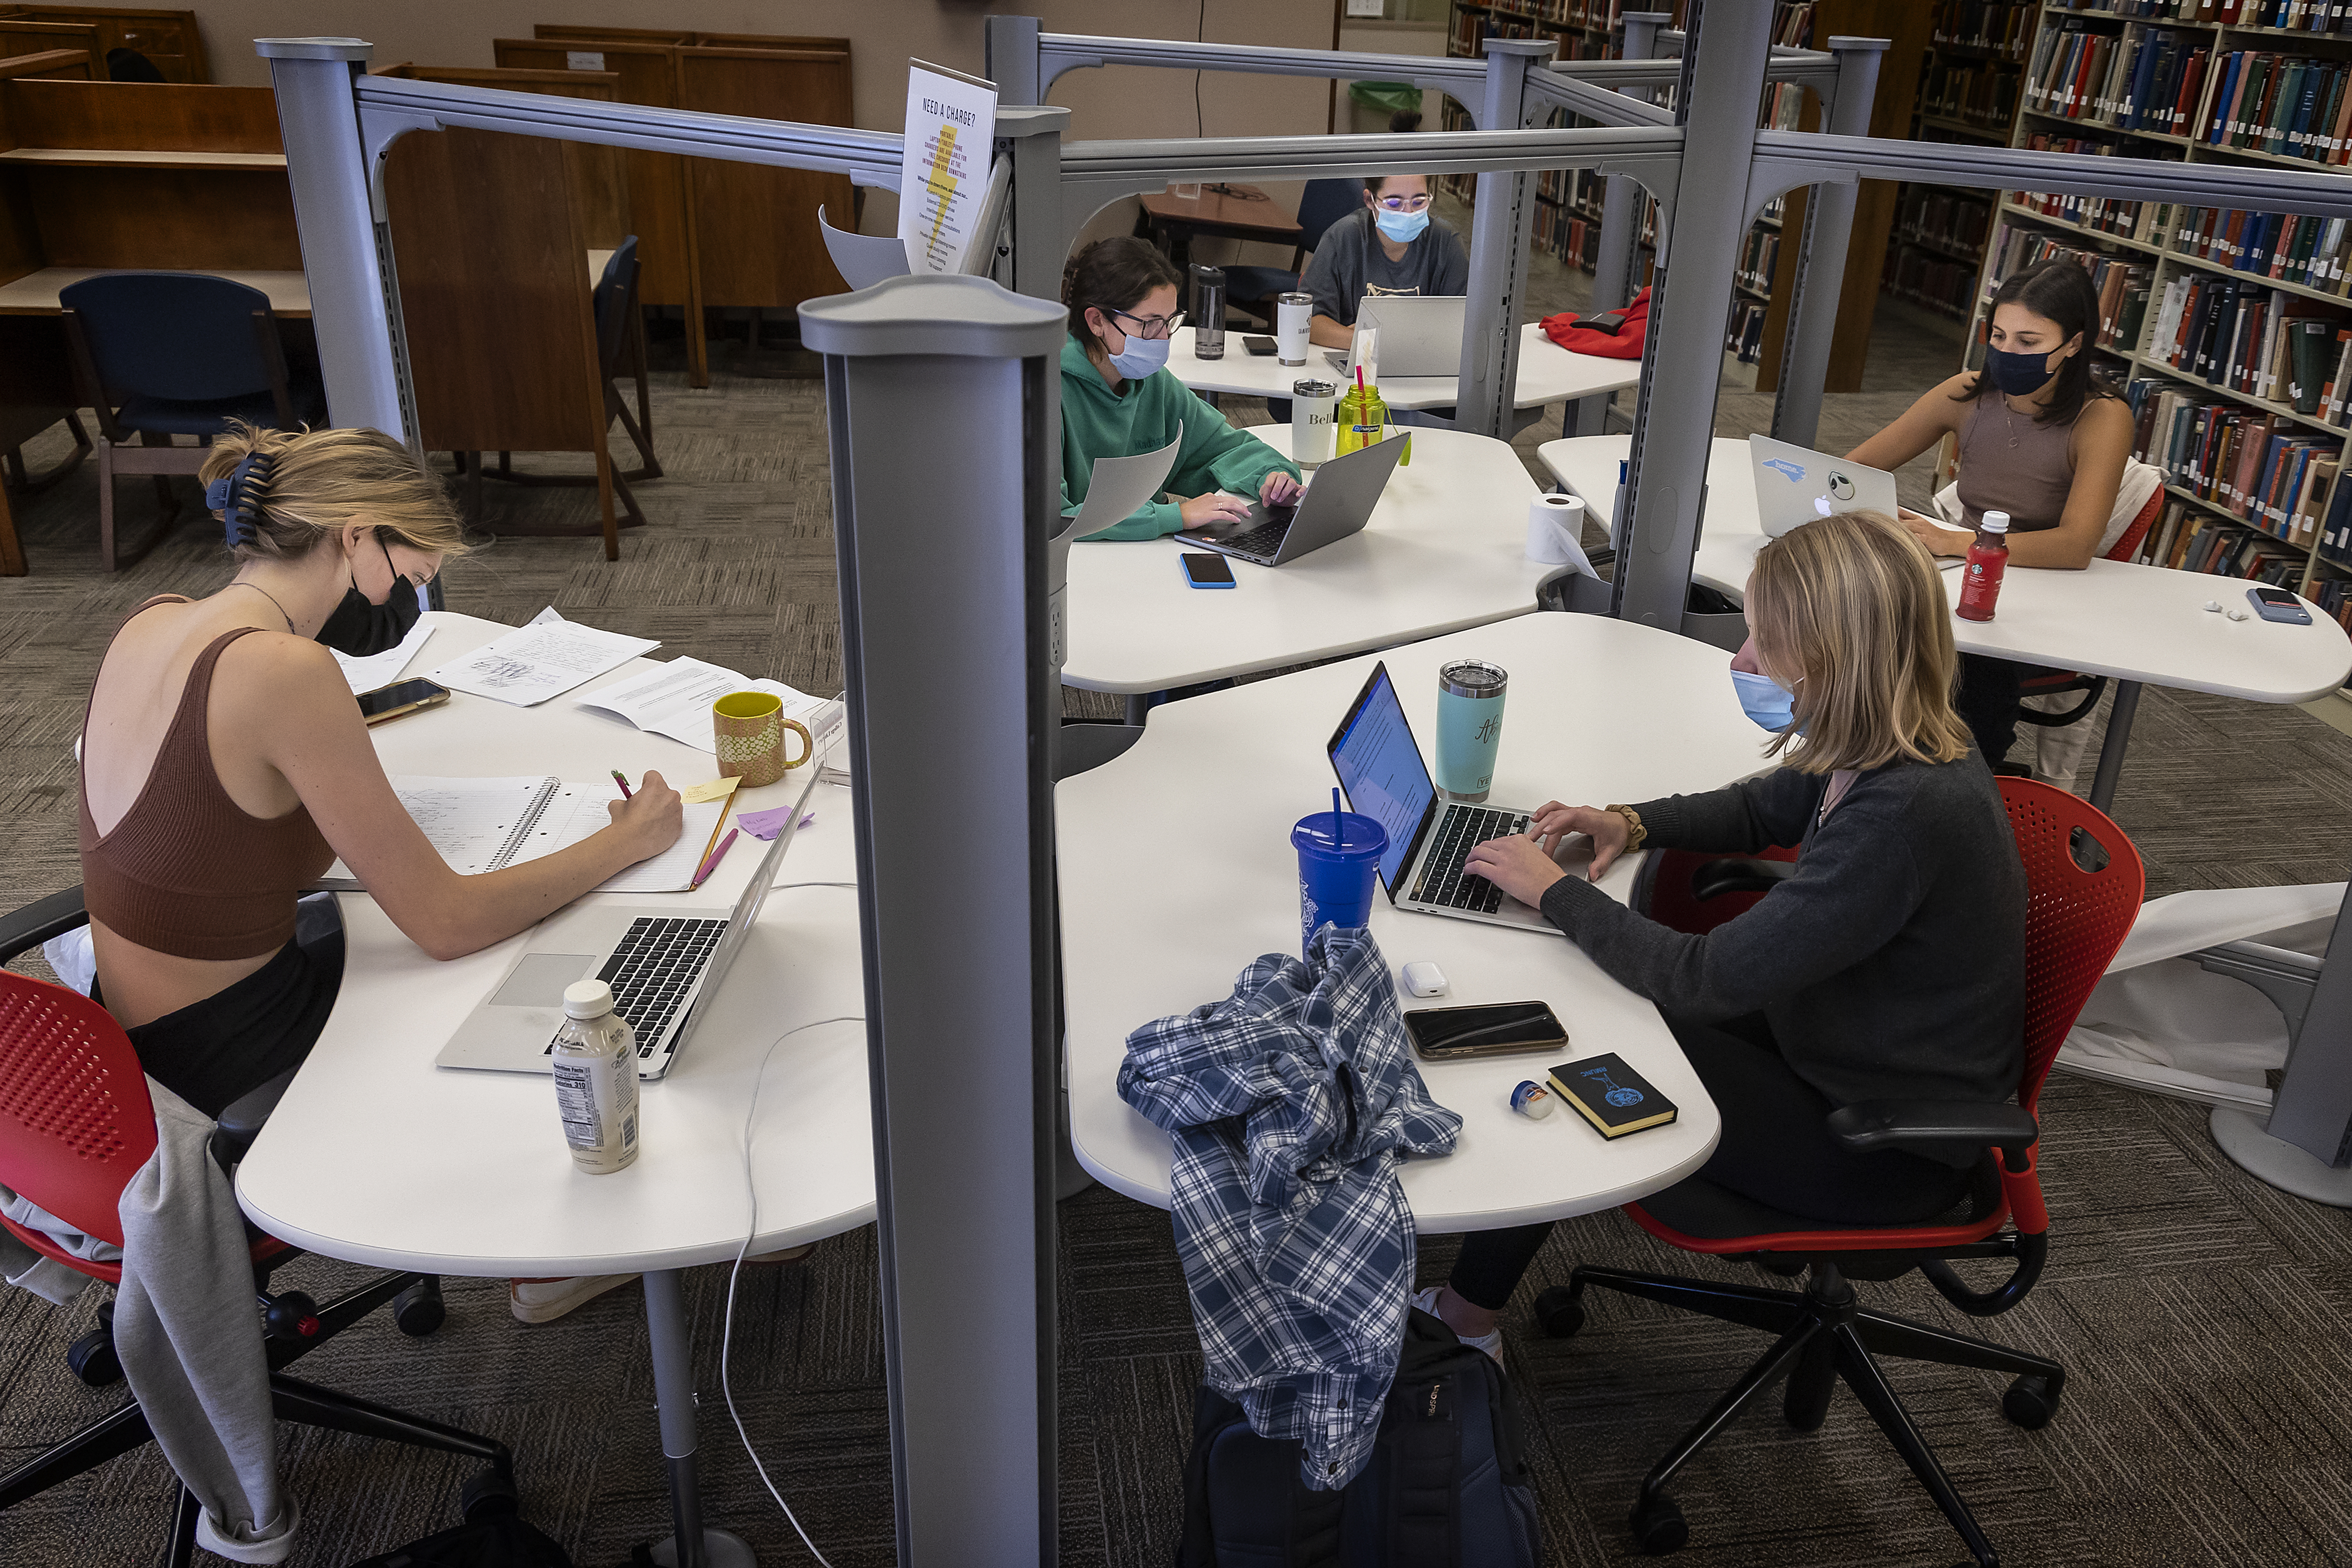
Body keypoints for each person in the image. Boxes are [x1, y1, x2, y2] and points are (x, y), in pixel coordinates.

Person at [1422, 511, 2027, 1360]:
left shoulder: (1901, 817)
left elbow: (1701, 978)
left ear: (1837, 658)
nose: (1743, 661)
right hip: (1827, 1040)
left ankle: (1464, 1320)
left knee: (1583, 1052)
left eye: (1765, 643)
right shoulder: (1889, 736)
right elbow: (1758, 808)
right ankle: (1467, 1280)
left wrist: (1553, 891)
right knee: (1596, 999)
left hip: (1875, 1135)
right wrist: (1628, 821)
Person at [78, 423, 685, 1124]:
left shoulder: (152, 619)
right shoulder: (285, 669)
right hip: (226, 1059)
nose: (398, 603)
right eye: (409, 579)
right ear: (357, 535)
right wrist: (629, 838)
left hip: (122, 1035)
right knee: (540, 983)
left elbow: (289, 853)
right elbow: (445, 924)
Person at [1844, 260, 2133, 769]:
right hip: (1959, 573)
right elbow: (1854, 468)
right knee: (1852, 621)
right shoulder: (1969, 393)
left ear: (2072, 344)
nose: (2006, 352)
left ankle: (1964, 780)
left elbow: (2075, 545)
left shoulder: (2102, 417)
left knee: (1969, 674)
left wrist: (1959, 542)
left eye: (2028, 341)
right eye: (1998, 335)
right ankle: (1856, 766)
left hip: (2033, 584)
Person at [1060, 236, 1302, 540]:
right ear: (1097, 321)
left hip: (1140, 554)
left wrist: (1273, 476)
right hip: (1075, 567)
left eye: (1170, 321)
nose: (1164, 339)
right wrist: (1176, 516)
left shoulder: (1154, 385)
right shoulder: (1045, 394)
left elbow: (1228, 447)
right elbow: (1054, 519)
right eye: (1149, 324)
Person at [1300, 168, 1470, 351]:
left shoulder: (1445, 243)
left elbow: (1464, 325)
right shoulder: (1344, 238)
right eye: (1395, 203)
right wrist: (1368, 342)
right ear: (1370, 200)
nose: (1408, 212)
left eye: (1419, 202)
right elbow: (1308, 321)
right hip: (1356, 364)